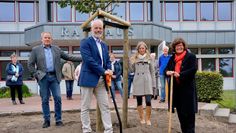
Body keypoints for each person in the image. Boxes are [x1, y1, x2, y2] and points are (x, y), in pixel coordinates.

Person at [28, 32, 81, 128]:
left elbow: (68, 57)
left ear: (51, 39)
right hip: (43, 78)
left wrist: (83, 58)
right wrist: (36, 74)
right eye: (45, 37)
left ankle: (58, 119)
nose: (47, 39)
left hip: (54, 78)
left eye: (49, 37)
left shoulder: (56, 49)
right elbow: (30, 64)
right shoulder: (36, 50)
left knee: (58, 98)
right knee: (45, 99)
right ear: (42, 39)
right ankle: (46, 120)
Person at [79, 19, 113, 133]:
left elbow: (107, 60)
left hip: (101, 81)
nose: (98, 30)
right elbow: (89, 61)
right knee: (85, 107)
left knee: (105, 107)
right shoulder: (85, 42)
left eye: (100, 28)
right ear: (91, 29)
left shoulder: (104, 45)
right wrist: (104, 71)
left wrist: (109, 69)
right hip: (88, 79)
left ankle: (108, 130)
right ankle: (86, 130)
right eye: (96, 28)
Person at [165, 37, 198, 133]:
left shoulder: (191, 56)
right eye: (177, 46)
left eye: (180, 45)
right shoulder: (172, 58)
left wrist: (180, 74)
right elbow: (166, 69)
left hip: (187, 91)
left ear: (184, 46)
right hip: (177, 92)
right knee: (181, 117)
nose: (179, 47)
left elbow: (193, 70)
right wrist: (168, 72)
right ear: (174, 48)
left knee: (189, 117)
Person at [129, 41, 156, 126]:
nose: (141, 50)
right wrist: (130, 62)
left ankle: (148, 119)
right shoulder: (134, 58)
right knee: (139, 101)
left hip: (147, 81)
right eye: (140, 48)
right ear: (138, 49)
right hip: (138, 81)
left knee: (148, 101)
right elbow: (132, 70)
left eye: (143, 48)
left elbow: (152, 72)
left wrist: (154, 84)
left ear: (145, 49)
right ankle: (141, 118)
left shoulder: (150, 58)